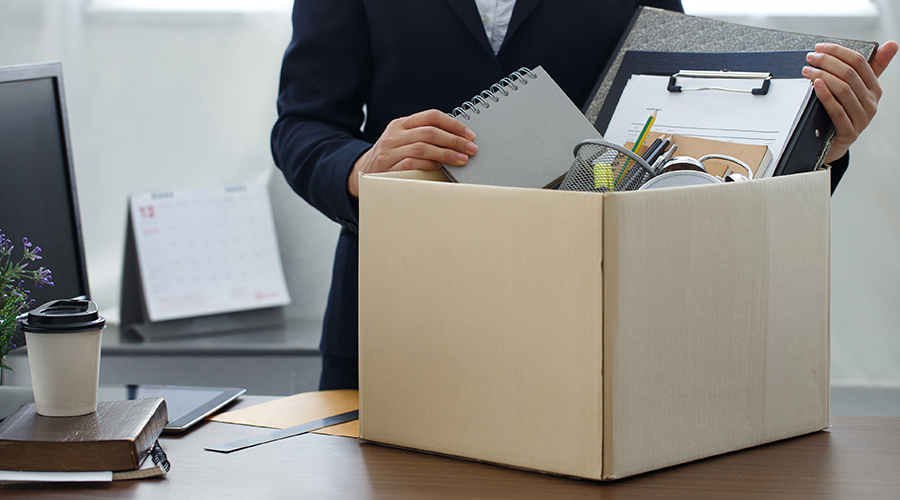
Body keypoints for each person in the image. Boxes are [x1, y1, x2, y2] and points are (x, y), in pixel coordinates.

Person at [271, 1, 897, 390]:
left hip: (582, 314)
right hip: (396, 310)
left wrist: (820, 142)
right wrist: (360, 165)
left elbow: (678, 120)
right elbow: (302, 121)